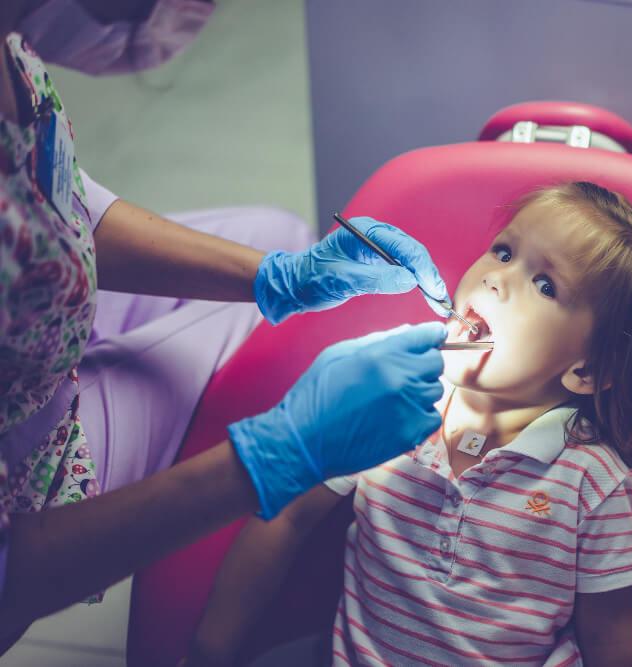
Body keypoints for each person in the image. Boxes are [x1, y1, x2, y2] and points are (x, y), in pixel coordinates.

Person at [0, 7, 454, 649]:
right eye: (507, 255)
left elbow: (55, 197)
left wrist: (281, 276)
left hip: (35, 326)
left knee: (275, 233)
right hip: (21, 470)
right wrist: (279, 453)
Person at [185, 182, 632, 666]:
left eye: (545, 285)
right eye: (504, 251)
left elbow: (609, 641)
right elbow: (285, 518)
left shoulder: (594, 483)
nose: (496, 277)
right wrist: (211, 653)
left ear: (588, 370)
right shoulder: (388, 406)